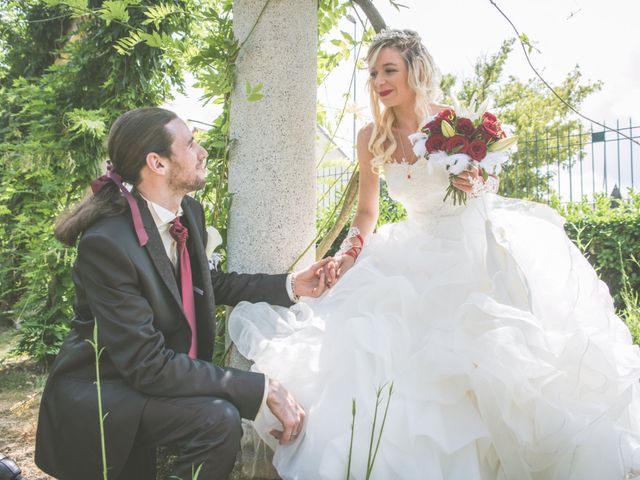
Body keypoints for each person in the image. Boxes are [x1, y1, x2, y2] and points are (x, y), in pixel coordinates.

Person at [229, 29, 640, 479]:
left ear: (414, 70)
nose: (379, 81)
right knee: (382, 354)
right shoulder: (371, 137)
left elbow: (487, 183)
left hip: (468, 251)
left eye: (389, 70)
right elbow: (366, 212)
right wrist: (350, 254)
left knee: (491, 363)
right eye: (372, 74)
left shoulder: (453, 124)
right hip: (409, 249)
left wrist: (476, 182)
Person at [34, 107, 334, 480]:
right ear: (157, 163)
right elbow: (146, 363)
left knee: (216, 417)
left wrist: (290, 284)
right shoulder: (106, 244)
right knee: (217, 420)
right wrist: (261, 388)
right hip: (105, 392)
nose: (202, 151)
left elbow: (208, 283)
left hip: (149, 380)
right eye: (191, 144)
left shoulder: (187, 212)